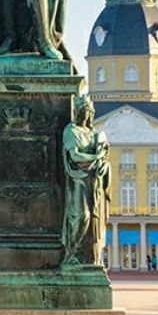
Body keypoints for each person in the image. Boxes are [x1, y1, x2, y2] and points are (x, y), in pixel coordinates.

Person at [61, 95, 111, 266]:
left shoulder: (93, 134)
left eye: (88, 111)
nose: (85, 114)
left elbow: (102, 160)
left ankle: (88, 255)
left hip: (93, 183)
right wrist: (96, 156)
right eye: (82, 110)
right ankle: (72, 253)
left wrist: (103, 164)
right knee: (82, 216)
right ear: (76, 111)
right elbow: (74, 155)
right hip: (78, 181)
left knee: (93, 220)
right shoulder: (71, 130)